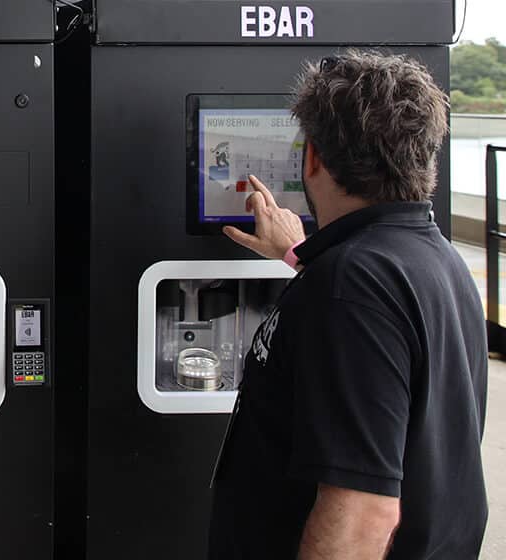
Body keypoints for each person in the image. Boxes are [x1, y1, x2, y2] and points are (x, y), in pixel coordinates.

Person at [208, 50, 488, 559]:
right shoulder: (434, 258)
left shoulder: (352, 285)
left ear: (312, 157)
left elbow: (364, 512)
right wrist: (297, 255)